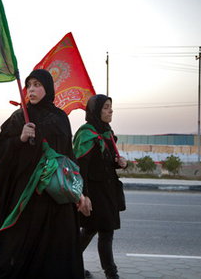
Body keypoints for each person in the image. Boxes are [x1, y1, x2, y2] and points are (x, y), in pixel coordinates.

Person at [0, 69, 85, 279]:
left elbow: (69, 156)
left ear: (48, 89)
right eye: (30, 85)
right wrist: (21, 139)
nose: (32, 89)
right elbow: (0, 149)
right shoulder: (20, 117)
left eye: (38, 85)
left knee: (55, 250)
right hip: (26, 197)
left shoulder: (60, 118)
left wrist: (80, 191)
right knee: (16, 248)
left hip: (55, 196)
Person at [73, 94, 127, 279]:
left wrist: (118, 163)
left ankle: (71, 264)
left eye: (110, 106)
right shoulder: (86, 134)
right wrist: (84, 195)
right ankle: (112, 274)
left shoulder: (107, 133)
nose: (110, 110)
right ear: (95, 111)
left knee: (90, 230)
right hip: (94, 193)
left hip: (108, 190)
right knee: (106, 231)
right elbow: (81, 168)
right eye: (105, 107)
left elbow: (104, 163)